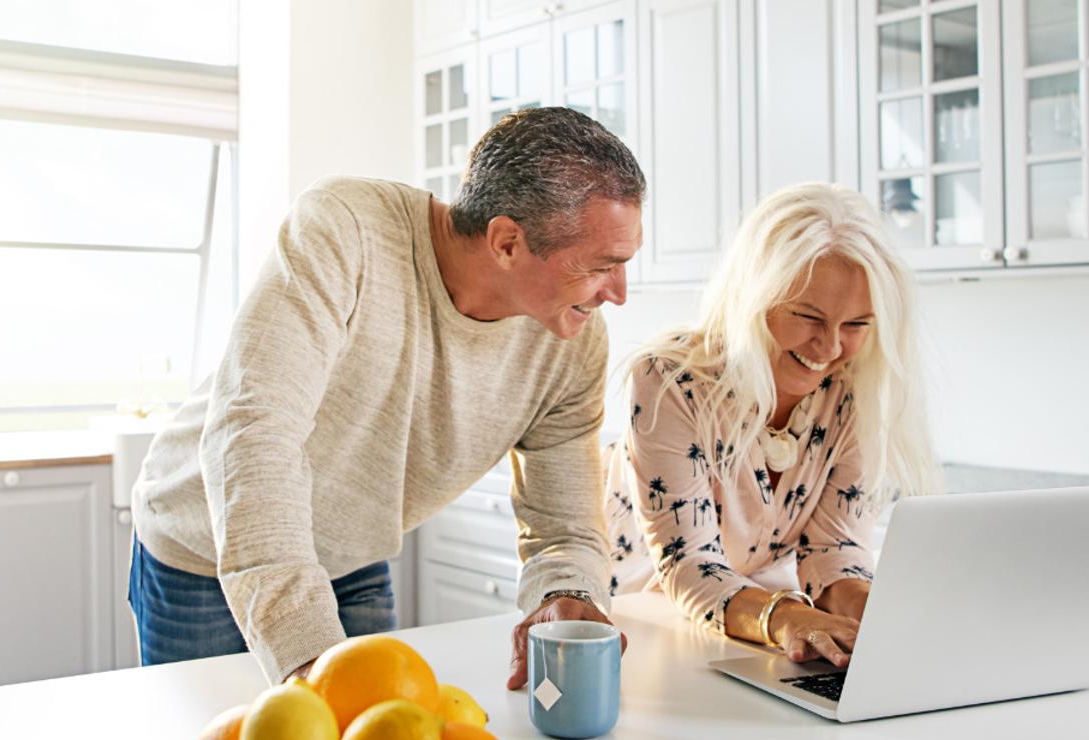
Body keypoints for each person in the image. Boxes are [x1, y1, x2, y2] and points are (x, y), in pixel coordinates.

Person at [131, 107, 643, 688]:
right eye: (604, 266)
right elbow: (254, 432)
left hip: (351, 556)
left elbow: (565, 521)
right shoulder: (344, 230)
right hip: (207, 550)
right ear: (507, 242)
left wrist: (567, 591)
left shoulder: (570, 341)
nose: (620, 293)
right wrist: (308, 653)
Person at [601, 182, 941, 667]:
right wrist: (787, 619)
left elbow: (834, 550)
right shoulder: (672, 380)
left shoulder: (855, 392)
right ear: (753, 300)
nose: (828, 348)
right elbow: (690, 564)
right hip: (640, 617)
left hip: (752, 620)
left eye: (856, 325)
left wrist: (879, 619)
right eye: (808, 317)